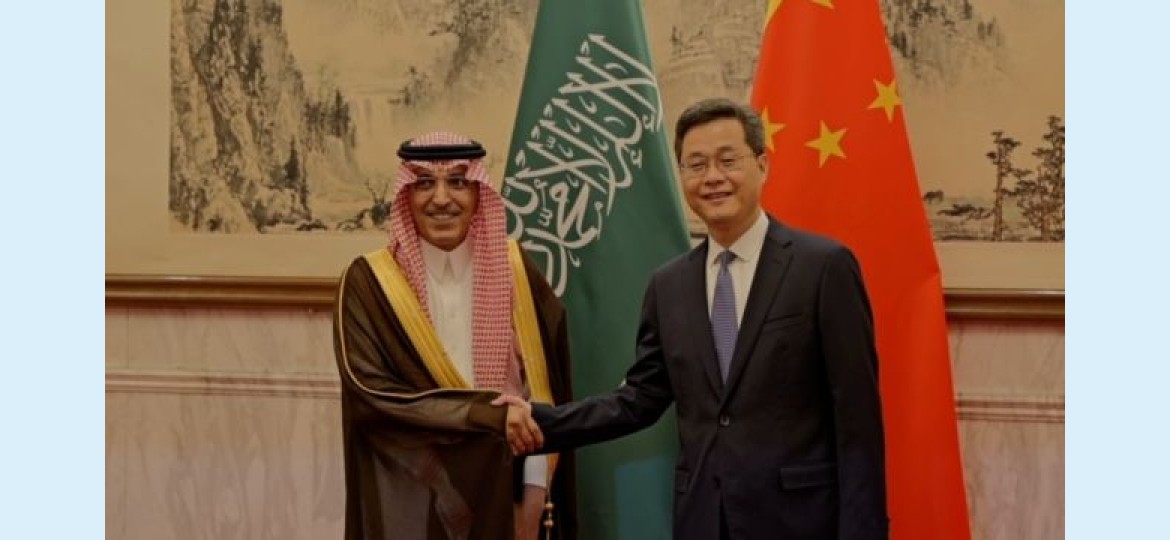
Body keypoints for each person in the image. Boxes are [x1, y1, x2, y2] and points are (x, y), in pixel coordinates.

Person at [496, 98, 888, 539]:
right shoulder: (670, 285)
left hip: (800, 522)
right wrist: (539, 420)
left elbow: (857, 421)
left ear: (762, 165)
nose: (712, 177)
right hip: (703, 519)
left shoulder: (823, 267)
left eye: (728, 160)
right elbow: (639, 398)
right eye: (696, 165)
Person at [333, 132, 576, 540]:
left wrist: (535, 494)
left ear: (480, 193)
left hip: (508, 495)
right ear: (406, 195)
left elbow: (544, 395)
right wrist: (486, 416)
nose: (441, 199)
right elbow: (371, 396)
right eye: (425, 183)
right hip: (415, 500)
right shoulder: (368, 284)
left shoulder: (517, 272)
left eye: (459, 182)